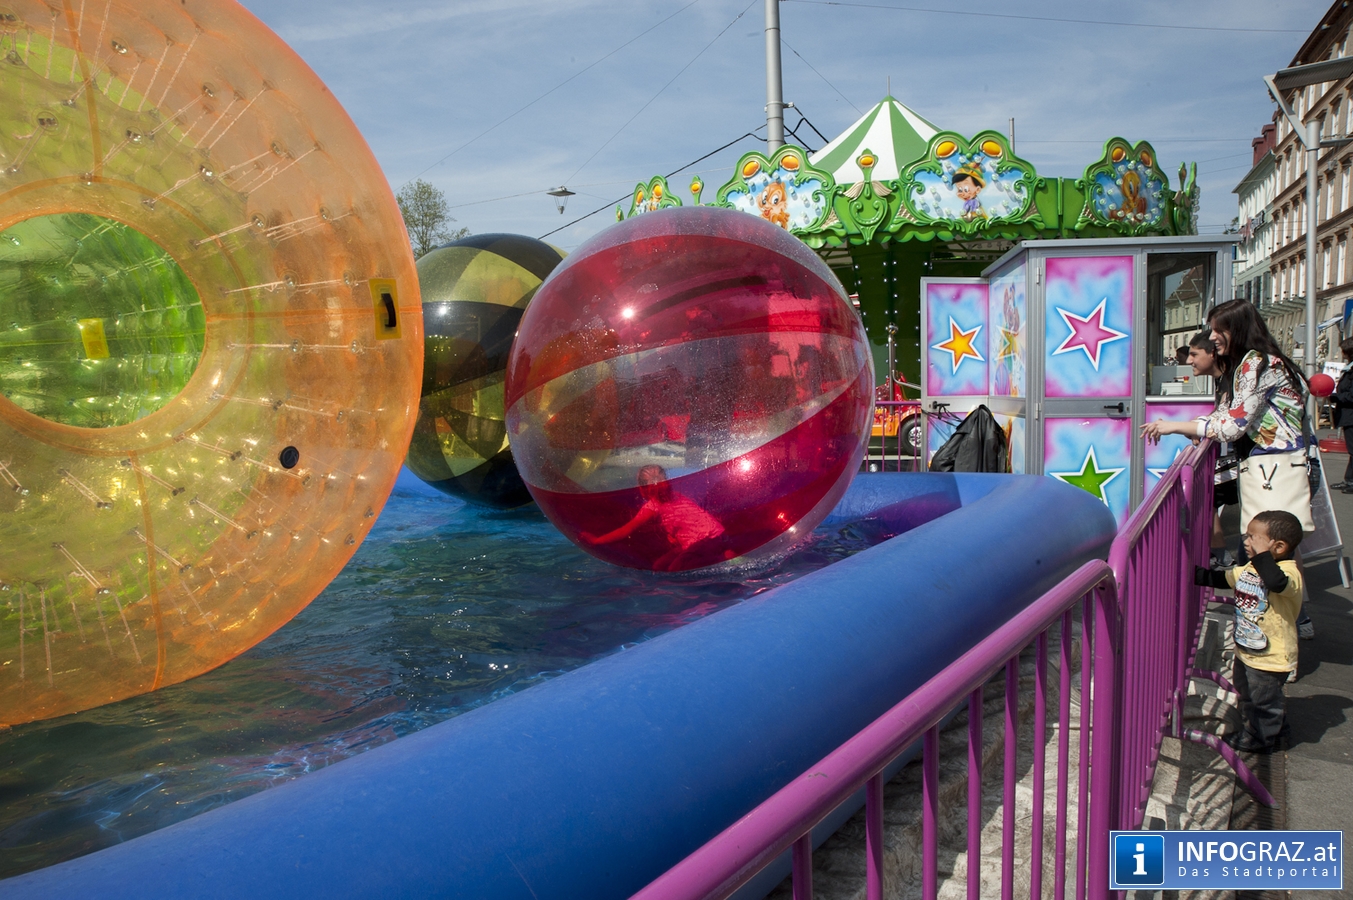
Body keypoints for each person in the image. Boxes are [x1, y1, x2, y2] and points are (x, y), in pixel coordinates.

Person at [1142, 299, 1314, 640]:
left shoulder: (1256, 364)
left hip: (1272, 472)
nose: (1213, 338)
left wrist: (1177, 426)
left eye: (1219, 330)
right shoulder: (1255, 363)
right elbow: (1226, 417)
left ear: (1237, 330)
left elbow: (1231, 425)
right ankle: (1280, 635)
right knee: (1270, 558)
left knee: (1265, 558)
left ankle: (1273, 649)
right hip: (1272, 470)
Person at [1194, 510, 1303, 753]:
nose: (1246, 541)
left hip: (1270, 657)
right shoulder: (1250, 569)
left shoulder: (1289, 572)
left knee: (1262, 702)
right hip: (1247, 651)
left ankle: (1258, 740)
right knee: (1251, 695)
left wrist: (1263, 554)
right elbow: (1224, 578)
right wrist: (1194, 574)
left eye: (1253, 537)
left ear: (1279, 546)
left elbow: (1276, 583)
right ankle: (1278, 734)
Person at [579, 465, 728, 572]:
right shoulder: (676, 495)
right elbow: (683, 520)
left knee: (675, 568)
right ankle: (721, 553)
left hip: (709, 538)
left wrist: (597, 541)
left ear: (643, 488)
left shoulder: (653, 506)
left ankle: (725, 557)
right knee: (659, 566)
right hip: (707, 537)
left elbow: (627, 529)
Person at [1330, 336, 1353, 493]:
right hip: (1347, 415)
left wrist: (1335, 397)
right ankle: (1349, 479)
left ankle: (1351, 481)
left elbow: (1351, 395)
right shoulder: (1349, 369)